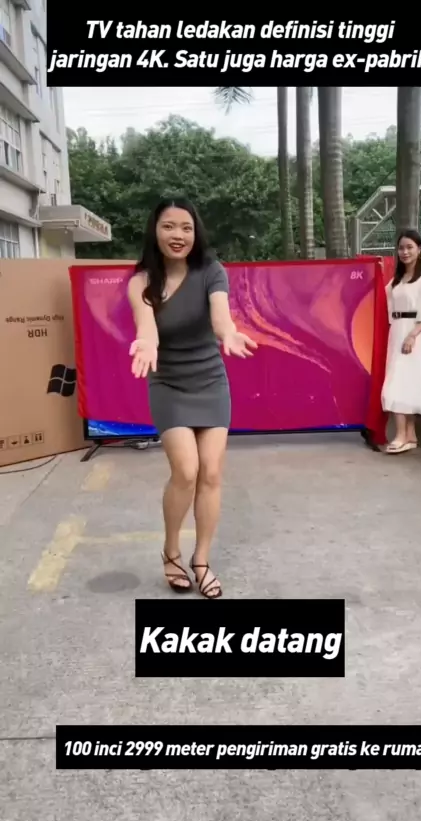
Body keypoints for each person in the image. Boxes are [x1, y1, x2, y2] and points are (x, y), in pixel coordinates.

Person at [127, 197, 257, 598]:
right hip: (168, 383)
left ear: (196, 232)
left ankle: (201, 560)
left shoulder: (211, 271)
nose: (178, 235)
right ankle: (171, 551)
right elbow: (147, 327)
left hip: (210, 381)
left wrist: (229, 333)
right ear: (155, 231)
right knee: (186, 471)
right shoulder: (140, 282)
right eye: (169, 226)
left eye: (186, 227)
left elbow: (220, 317)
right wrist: (147, 344)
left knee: (211, 473)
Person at [381, 228, 421, 454]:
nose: (404, 252)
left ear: (419, 250)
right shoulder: (396, 280)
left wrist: (412, 335)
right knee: (403, 382)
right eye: (401, 248)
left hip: (412, 335)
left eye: (409, 247)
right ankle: (410, 435)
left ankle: (400, 436)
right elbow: (381, 297)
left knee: (399, 384)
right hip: (395, 332)